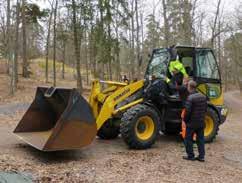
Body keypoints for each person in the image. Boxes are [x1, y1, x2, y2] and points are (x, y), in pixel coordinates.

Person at [183, 80, 207, 162]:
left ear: (190, 87)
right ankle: (201, 156)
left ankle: (191, 156)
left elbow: (187, 111)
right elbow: (205, 110)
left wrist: (185, 120)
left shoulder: (190, 98)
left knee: (188, 139)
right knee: (200, 139)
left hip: (192, 123)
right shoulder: (203, 96)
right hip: (201, 122)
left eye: (188, 86)